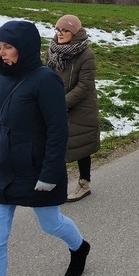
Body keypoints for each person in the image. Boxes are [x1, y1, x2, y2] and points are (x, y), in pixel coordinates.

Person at [0, 20, 90, 276]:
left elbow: (57, 130)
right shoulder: (3, 77)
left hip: (36, 168)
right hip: (3, 167)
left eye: (8, 47)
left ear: (25, 48)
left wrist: (50, 173)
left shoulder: (45, 80)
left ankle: (79, 248)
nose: (1, 53)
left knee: (50, 224)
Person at [46, 14, 101, 202]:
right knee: (55, 144)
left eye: (65, 30)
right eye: (58, 30)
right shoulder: (52, 51)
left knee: (80, 145)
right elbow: (46, 74)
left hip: (81, 107)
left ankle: (84, 184)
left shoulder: (86, 54)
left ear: (74, 32)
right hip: (57, 103)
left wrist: (60, 103)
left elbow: (85, 86)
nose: (60, 34)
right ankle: (54, 184)